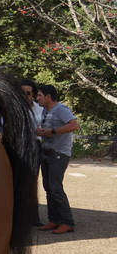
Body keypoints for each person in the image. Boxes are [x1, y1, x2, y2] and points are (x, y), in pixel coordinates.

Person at [35, 84, 79, 234]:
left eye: (40, 95)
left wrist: (52, 131)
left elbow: (74, 125)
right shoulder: (45, 111)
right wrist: (41, 132)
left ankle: (67, 222)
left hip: (59, 154)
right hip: (47, 153)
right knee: (48, 188)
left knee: (55, 188)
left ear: (48, 96)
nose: (37, 98)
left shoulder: (61, 109)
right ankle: (54, 220)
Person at [20, 78, 45, 225]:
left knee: (31, 182)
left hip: (34, 146)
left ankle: (33, 217)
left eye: (28, 93)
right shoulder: (12, 108)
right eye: (22, 93)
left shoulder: (39, 109)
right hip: (18, 146)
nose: (25, 96)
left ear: (33, 94)